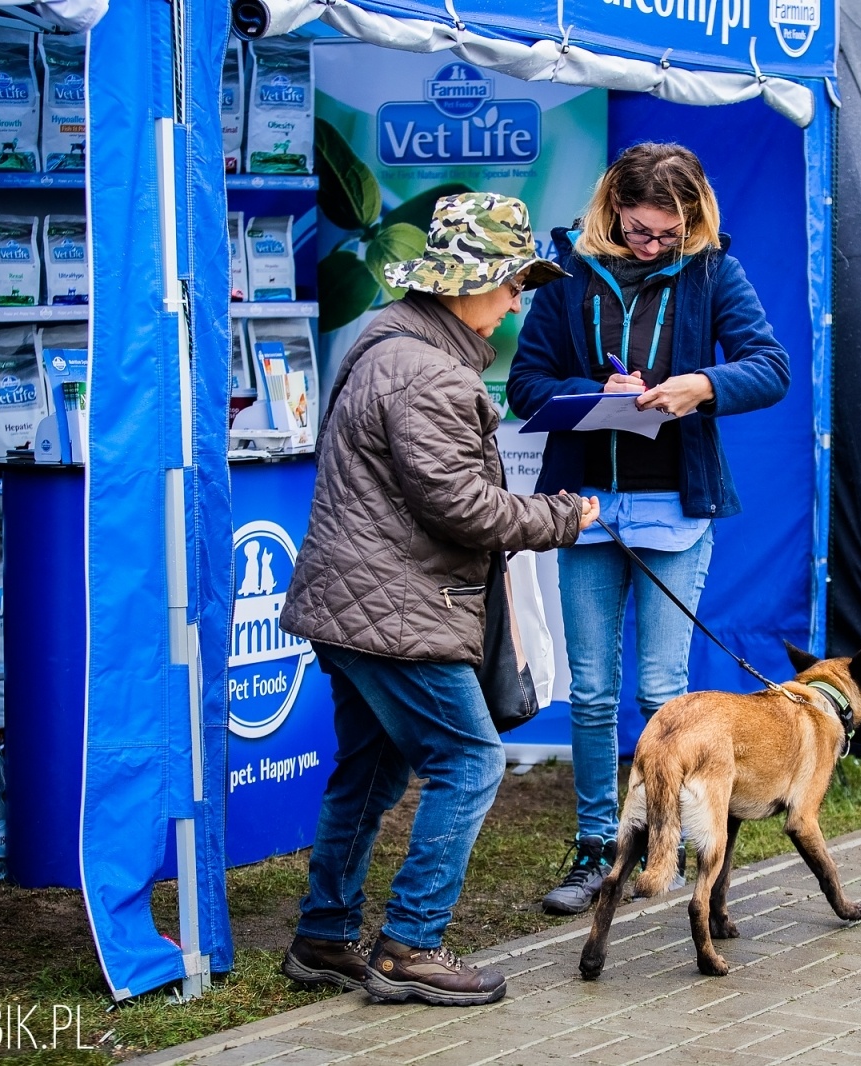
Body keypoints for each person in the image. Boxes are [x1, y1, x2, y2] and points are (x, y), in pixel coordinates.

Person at [278, 192, 601, 1006]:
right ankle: (410, 946)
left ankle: (323, 935)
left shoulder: (392, 343)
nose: (517, 302)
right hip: (395, 611)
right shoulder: (426, 372)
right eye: (510, 284)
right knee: (469, 760)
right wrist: (565, 514)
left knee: (372, 767)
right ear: (463, 284)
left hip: (359, 603)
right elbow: (461, 506)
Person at [506, 143, 791, 915]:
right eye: (639, 231)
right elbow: (524, 385)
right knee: (593, 693)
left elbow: (771, 366)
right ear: (611, 211)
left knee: (664, 693)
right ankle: (596, 847)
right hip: (587, 506)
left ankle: (660, 842)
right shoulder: (565, 275)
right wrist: (592, 390)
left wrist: (705, 384)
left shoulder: (713, 272)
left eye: (668, 233)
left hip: (676, 508)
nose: (653, 246)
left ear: (692, 218)